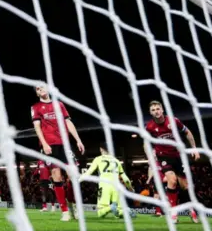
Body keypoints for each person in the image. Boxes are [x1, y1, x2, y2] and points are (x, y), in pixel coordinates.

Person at [32, 85, 85, 221]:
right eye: (37, 89)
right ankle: (65, 211)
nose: (41, 90)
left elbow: (68, 122)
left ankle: (73, 204)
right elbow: (37, 127)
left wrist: (78, 140)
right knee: (57, 176)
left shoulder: (59, 104)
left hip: (65, 144)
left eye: (42, 87)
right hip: (50, 146)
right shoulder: (36, 107)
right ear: (37, 94)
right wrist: (44, 144)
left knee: (73, 176)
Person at [145, 100, 200, 223]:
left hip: (178, 156)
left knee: (185, 187)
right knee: (172, 180)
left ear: (162, 109)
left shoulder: (173, 121)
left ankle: (192, 209)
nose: (156, 111)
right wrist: (149, 157)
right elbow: (146, 143)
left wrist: (194, 149)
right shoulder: (149, 127)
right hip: (163, 157)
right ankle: (173, 213)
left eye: (158, 109)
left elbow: (187, 132)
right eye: (153, 110)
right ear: (150, 113)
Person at [79, 143, 135, 218]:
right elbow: (125, 178)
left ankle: (111, 207)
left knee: (100, 213)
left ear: (101, 149)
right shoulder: (116, 161)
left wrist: (78, 180)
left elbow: (89, 172)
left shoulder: (98, 159)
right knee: (118, 213)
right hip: (116, 187)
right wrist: (130, 187)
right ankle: (126, 211)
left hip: (104, 185)